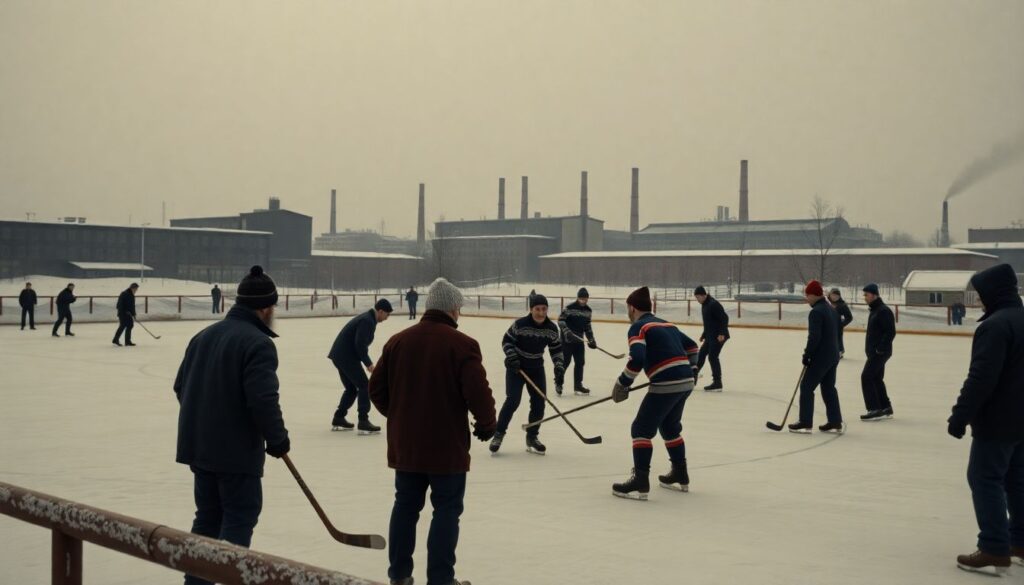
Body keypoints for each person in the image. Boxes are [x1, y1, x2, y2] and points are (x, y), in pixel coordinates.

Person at [369, 278, 495, 585]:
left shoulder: (397, 341)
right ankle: (440, 579)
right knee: (447, 511)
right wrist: (486, 424)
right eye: (459, 308)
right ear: (452, 308)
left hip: (407, 446)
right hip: (446, 447)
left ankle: (399, 575)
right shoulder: (462, 344)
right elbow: (478, 391)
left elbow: (376, 389)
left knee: (405, 506)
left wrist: (400, 417)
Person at [173, 265, 290, 585]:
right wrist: (278, 439)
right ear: (265, 308)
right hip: (236, 456)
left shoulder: (203, 336)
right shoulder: (258, 344)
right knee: (239, 517)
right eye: (272, 308)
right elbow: (263, 400)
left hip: (201, 450)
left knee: (207, 520)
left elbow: (181, 387)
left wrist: (208, 421)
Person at [946, 264, 1024, 576]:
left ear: (993, 293)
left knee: (984, 477)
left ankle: (994, 546)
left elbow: (981, 377)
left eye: (980, 294)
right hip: (1021, 421)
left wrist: (959, 415)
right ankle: (1019, 541)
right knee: (1016, 480)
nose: (978, 300)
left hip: (998, 420)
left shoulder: (995, 326)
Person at [610, 286, 700, 501]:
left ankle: (640, 481)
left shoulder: (638, 327)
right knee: (669, 427)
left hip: (666, 383)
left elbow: (637, 358)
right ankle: (680, 472)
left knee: (640, 429)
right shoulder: (666, 324)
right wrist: (693, 372)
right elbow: (693, 347)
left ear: (632, 307)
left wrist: (623, 383)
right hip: (685, 382)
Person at [490, 293, 564, 455]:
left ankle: (532, 437)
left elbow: (556, 349)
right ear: (531, 309)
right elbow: (507, 341)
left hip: (536, 368)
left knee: (539, 403)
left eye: (544, 309)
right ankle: (498, 434)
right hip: (517, 368)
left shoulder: (552, 329)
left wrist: (559, 366)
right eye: (537, 309)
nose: (541, 312)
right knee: (513, 401)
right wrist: (512, 357)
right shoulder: (520, 324)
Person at [328, 299, 393, 434]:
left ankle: (339, 417)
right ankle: (363, 421)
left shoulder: (367, 318)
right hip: (346, 356)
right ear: (380, 311)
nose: (387, 318)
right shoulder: (367, 321)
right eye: (387, 314)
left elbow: (358, 344)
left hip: (340, 355)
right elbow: (359, 344)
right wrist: (368, 363)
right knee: (365, 385)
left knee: (351, 388)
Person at [789, 280, 845, 434]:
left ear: (814, 295)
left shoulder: (816, 312)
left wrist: (807, 354)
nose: (806, 299)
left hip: (821, 357)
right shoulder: (831, 309)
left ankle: (805, 421)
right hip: (833, 356)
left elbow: (814, 337)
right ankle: (835, 421)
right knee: (828, 388)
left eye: (807, 295)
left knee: (806, 387)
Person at [860, 283, 897, 421]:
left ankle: (874, 408)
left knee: (866, 377)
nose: (865, 297)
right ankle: (885, 407)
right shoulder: (875, 310)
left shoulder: (883, 311)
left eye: (866, 295)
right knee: (876, 378)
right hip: (875, 352)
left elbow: (890, 332)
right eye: (864, 295)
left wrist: (880, 348)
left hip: (880, 352)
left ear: (875, 295)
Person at [556, 287, 597, 396]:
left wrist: (591, 339)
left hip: (579, 340)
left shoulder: (588, 311)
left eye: (585, 299)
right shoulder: (569, 308)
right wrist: (567, 332)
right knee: (566, 362)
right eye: (581, 299)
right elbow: (560, 320)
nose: (583, 301)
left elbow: (587, 327)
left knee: (580, 362)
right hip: (567, 340)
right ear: (578, 298)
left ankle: (578, 385)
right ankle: (559, 383)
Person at [694, 286, 730, 391]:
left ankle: (717, 383)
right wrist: (704, 334)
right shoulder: (704, 305)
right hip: (710, 335)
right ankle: (692, 378)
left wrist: (722, 333)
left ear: (703, 295)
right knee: (701, 355)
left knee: (713, 357)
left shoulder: (713, 304)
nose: (697, 300)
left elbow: (724, 318)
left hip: (719, 336)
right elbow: (709, 322)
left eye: (698, 297)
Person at [828, 288, 853, 358]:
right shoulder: (827, 303)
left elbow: (849, 317)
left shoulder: (842, 305)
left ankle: (840, 351)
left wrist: (841, 324)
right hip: (828, 326)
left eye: (836, 295)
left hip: (837, 327)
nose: (834, 297)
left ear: (839, 296)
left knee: (837, 339)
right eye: (833, 295)